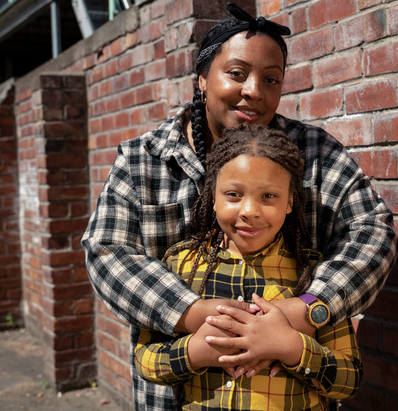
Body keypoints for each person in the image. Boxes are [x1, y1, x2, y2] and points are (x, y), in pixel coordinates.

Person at [82, 3, 396, 409]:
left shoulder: (314, 153)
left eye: (271, 79)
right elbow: (107, 251)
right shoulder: (146, 159)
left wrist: (305, 312)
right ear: (202, 79)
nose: (254, 91)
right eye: (236, 73)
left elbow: (372, 231)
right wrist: (195, 315)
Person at [134, 124, 361, 409]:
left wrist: (291, 347)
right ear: (212, 197)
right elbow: (145, 360)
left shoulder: (314, 276)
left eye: (268, 196)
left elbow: (349, 380)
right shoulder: (180, 265)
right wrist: (195, 351)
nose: (250, 211)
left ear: (290, 201)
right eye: (233, 194)